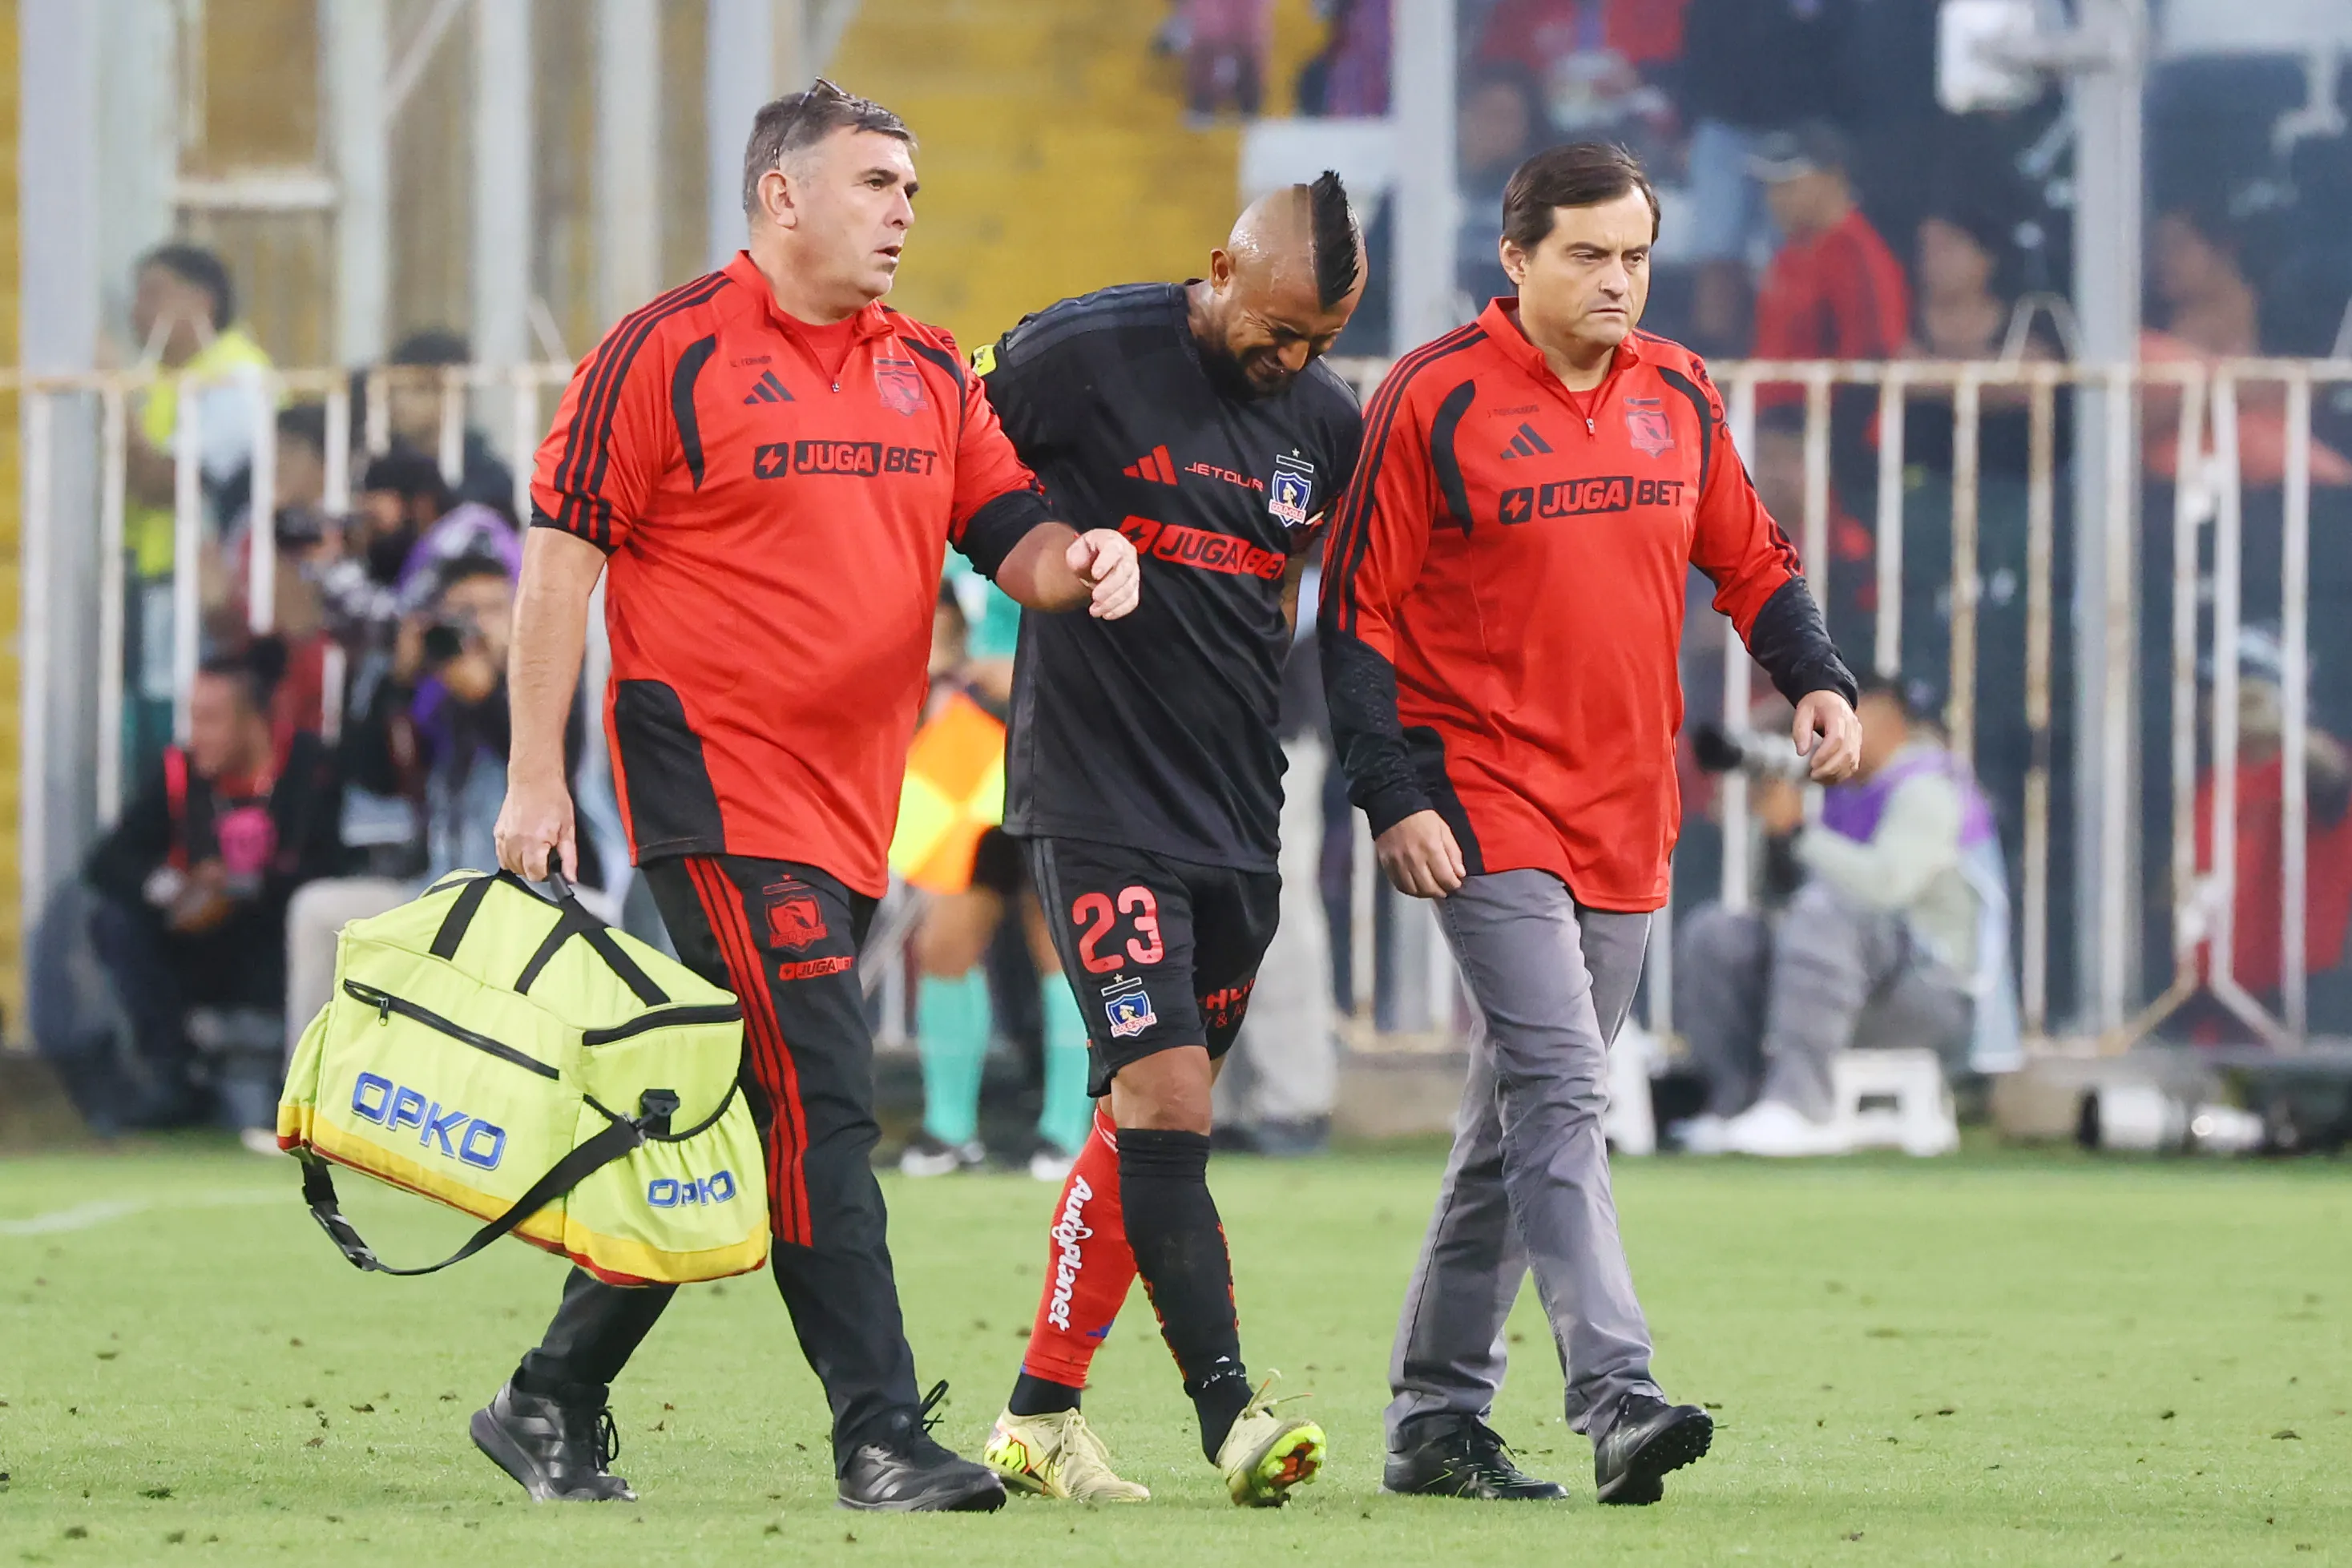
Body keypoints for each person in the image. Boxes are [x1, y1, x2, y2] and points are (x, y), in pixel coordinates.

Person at [477, 79, 1140, 1513]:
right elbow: (560, 561)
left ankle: (548, 1395)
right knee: (826, 1105)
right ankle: (881, 1433)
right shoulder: (661, 352)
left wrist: (1078, 560)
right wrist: (536, 775)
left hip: (853, 806)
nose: (905, 208)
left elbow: (1009, 534)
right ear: (783, 193)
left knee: (728, 1115)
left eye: (911, 185)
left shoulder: (924, 366)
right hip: (713, 791)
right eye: (877, 182)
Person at [1320, 142, 1861, 1504]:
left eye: (1634, 256)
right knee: (1565, 1084)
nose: (1617, 280)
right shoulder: (1431, 396)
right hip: (1481, 795)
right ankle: (1616, 1392)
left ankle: (1435, 1416)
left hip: (1630, 803)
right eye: (1587, 256)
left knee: (1516, 1122)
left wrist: (1816, 679)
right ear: (1515, 259)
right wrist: (1390, 791)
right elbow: (1359, 614)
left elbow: (1751, 559)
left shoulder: (1677, 389)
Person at [973, 174, 1366, 1509]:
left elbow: (1346, 617)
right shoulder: (1079, 352)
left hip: (1236, 816)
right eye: (1280, 326)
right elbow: (952, 457)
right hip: (1092, 798)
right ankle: (1229, 1412)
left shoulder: (1326, 424)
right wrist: (1048, 548)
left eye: (1322, 337)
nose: (1295, 357)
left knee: (1147, 1128)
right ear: (1220, 269)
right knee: (1170, 1102)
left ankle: (1038, 1413)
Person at [1676, 675, 2011, 1155]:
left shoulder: (1928, 786)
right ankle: (1736, 1105)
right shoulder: (1844, 795)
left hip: (1934, 997)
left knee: (1825, 913)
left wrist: (1799, 835)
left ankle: (1800, 1107)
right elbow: (1777, 906)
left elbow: (1885, 887)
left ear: (1884, 716)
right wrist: (1772, 834)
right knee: (1722, 932)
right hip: (1839, 986)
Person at [63, 647, 340, 1130]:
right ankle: (172, 1079)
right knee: (114, 921)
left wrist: (238, 888)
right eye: (193, 718)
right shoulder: (180, 771)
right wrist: (177, 889)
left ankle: (306, 1094)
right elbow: (108, 860)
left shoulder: (310, 768)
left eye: (211, 719)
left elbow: (328, 865)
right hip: (202, 946)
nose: (197, 735)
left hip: (278, 943)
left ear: (254, 721)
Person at [121, 244, 276, 777]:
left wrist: (115, 405)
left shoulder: (233, 374)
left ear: (202, 301)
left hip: (207, 591)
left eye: (154, 294)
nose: (137, 312)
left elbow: (168, 481)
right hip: (162, 577)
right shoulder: (174, 378)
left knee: (185, 733)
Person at [377, 329, 520, 519]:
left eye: (418, 390)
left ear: (453, 396)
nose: (399, 402)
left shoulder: (489, 478)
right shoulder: (382, 471)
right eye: (395, 389)